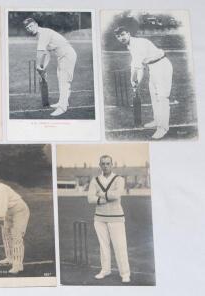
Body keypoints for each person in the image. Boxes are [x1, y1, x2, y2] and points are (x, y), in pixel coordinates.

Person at [114, 26, 173, 139]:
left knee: (162, 97)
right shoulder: (130, 45)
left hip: (162, 65)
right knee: (154, 97)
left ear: (128, 33)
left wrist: (135, 81)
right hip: (153, 67)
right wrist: (134, 82)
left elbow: (138, 68)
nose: (121, 37)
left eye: (123, 34)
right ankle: (157, 120)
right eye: (118, 36)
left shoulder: (137, 44)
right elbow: (135, 65)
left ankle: (163, 128)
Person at [87, 155, 130, 283]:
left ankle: (125, 273)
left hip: (116, 217)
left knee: (120, 246)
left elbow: (117, 195)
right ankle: (105, 270)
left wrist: (100, 194)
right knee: (103, 246)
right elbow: (90, 198)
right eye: (103, 164)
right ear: (99, 165)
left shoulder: (119, 179)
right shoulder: (95, 180)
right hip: (99, 217)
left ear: (112, 165)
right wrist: (105, 197)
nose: (105, 166)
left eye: (108, 163)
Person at [23, 17, 77, 117]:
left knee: (64, 81)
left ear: (36, 24)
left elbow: (40, 51)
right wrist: (43, 67)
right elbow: (46, 54)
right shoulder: (40, 35)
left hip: (67, 54)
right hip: (62, 56)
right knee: (60, 78)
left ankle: (62, 107)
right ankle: (63, 102)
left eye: (31, 26)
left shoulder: (44, 33)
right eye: (27, 28)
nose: (30, 28)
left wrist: (39, 66)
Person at [0, 172, 30, 274]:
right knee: (6, 234)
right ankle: (10, 258)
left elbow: (2, 207)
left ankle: (18, 266)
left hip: (19, 210)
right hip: (7, 213)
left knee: (16, 236)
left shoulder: (0, 189)